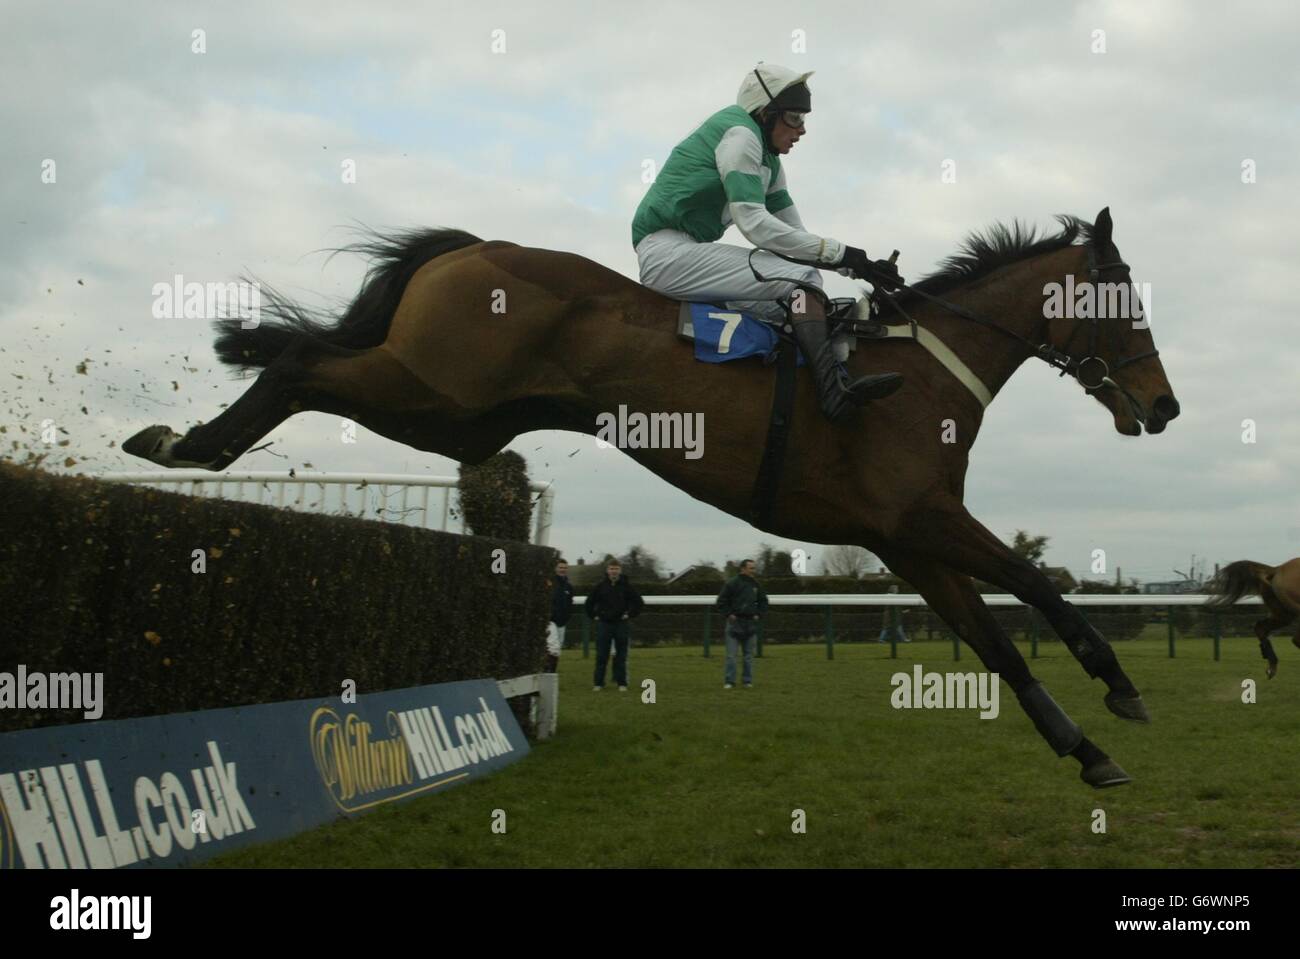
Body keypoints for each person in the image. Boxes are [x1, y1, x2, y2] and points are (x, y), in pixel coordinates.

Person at [632, 62, 906, 423]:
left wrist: (859, 264)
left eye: (804, 119)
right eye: (794, 117)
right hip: (666, 252)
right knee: (802, 281)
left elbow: (793, 236)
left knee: (801, 287)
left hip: (686, 251)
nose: (802, 130)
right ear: (765, 113)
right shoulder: (740, 137)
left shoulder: (770, 164)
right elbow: (756, 226)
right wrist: (842, 254)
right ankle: (832, 393)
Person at [584, 559, 644, 691]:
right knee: (601, 655)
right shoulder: (600, 586)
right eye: (611, 569)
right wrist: (594, 616)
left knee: (621, 656)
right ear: (607, 571)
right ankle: (598, 683)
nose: (613, 572)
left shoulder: (627, 586)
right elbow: (589, 603)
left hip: (621, 625)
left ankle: (621, 683)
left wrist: (629, 614)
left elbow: (639, 603)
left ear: (620, 570)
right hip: (604, 624)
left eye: (616, 569)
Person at [716, 559, 769, 688]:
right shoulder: (732, 583)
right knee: (731, 656)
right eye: (751, 568)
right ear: (743, 569)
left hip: (750, 623)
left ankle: (747, 681)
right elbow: (721, 601)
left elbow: (763, 601)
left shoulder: (756, 585)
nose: (753, 571)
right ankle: (729, 681)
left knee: (748, 656)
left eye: (754, 568)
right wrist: (729, 614)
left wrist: (758, 614)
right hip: (734, 624)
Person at [545, 558, 575, 673]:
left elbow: (570, 604)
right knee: (553, 647)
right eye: (560, 567)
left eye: (565, 568)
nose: (563, 570)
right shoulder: (549, 583)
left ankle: (551, 673)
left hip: (562, 622)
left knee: (557, 649)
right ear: (555, 568)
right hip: (550, 621)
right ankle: (549, 673)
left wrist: (567, 617)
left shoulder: (569, 587)